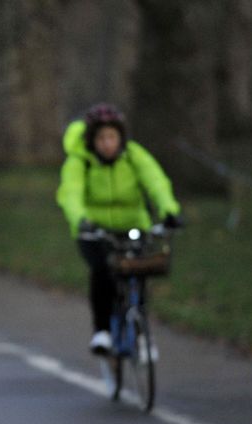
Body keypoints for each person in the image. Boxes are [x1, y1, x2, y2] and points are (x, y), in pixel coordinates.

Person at [56, 103, 182, 354]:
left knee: (139, 271)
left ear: (121, 137)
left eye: (112, 137)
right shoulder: (80, 162)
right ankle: (102, 331)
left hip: (133, 226)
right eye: (102, 138)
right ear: (92, 140)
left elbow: (156, 181)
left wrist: (169, 210)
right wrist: (81, 219)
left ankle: (142, 330)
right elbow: (71, 194)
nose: (108, 143)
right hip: (95, 230)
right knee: (102, 270)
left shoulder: (134, 155)